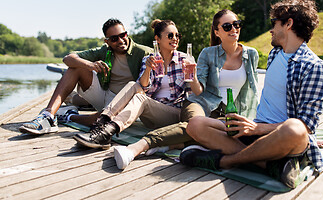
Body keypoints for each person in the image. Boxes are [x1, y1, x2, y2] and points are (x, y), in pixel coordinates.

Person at [180, 0, 323, 189]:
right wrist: (252, 126)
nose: (271, 29)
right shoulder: (275, 54)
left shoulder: (315, 67)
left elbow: (306, 125)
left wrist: (258, 129)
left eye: (274, 23)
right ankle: (270, 165)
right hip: (256, 128)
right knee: (195, 124)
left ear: (288, 24)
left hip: (283, 137)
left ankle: (224, 161)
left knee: (294, 128)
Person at [111, 9, 259, 170]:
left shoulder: (251, 55)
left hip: (230, 111)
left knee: (221, 135)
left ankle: (172, 145)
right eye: (227, 26)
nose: (234, 29)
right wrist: (193, 76)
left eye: (236, 25)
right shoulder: (208, 54)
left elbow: (252, 91)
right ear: (217, 32)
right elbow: (198, 91)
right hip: (201, 103)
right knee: (194, 124)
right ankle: (137, 147)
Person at [73, 19, 192, 167]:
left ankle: (107, 131)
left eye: (177, 35)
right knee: (133, 85)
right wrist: (148, 68)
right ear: (158, 39)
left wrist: (192, 76)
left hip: (174, 114)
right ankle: (103, 122)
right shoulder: (149, 59)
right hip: (153, 115)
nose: (175, 39)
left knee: (140, 98)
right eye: (170, 35)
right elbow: (143, 86)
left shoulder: (186, 60)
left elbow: (194, 93)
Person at [19, 18, 152, 135]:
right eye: (114, 38)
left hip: (127, 100)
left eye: (123, 35)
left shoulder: (143, 52)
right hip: (106, 95)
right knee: (76, 68)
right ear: (107, 41)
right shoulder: (104, 51)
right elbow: (68, 58)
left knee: (102, 120)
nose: (121, 40)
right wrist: (90, 65)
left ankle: (69, 116)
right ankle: (48, 115)